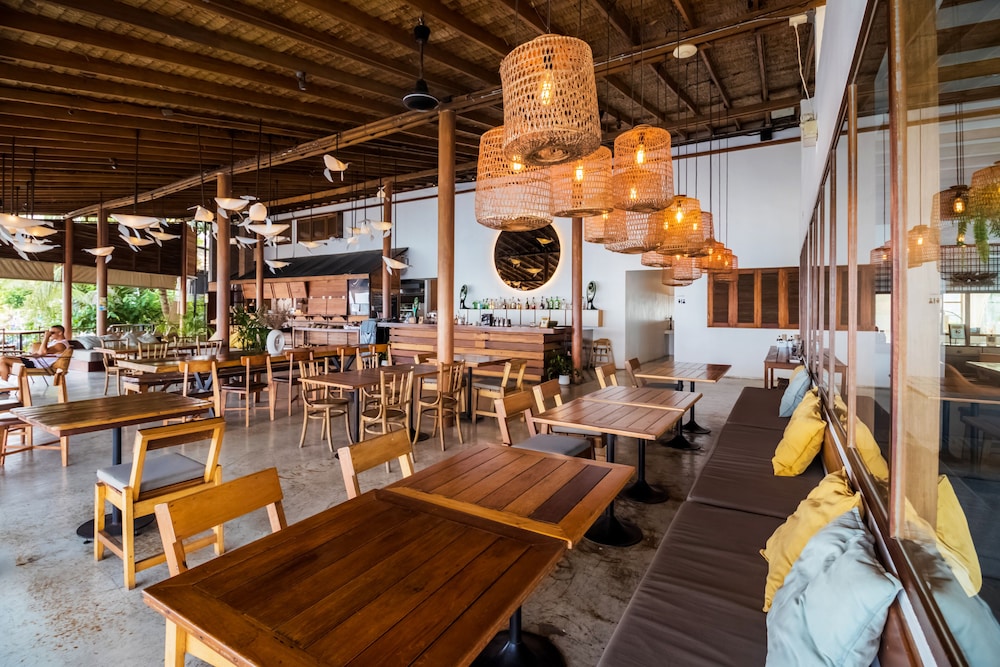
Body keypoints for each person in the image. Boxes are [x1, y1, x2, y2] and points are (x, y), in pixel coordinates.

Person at [0, 325, 69, 381]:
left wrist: (46, 337)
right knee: (2, 360)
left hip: (37, 364)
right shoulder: (55, 342)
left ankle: (5, 387)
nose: (50, 335)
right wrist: (30, 355)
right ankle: (4, 387)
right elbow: (40, 353)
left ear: (60, 332)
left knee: (3, 360)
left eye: (52, 333)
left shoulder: (61, 345)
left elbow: (43, 352)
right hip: (33, 361)